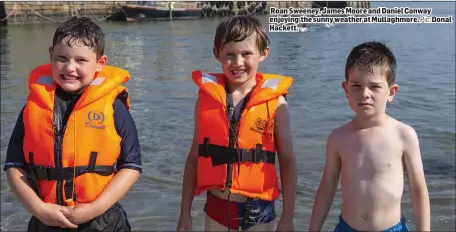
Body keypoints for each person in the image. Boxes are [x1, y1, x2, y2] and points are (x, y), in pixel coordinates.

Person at [3, 16, 142, 232]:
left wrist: (94, 208)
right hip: (45, 219)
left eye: (81, 60)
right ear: (51, 55)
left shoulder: (114, 108)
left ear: (100, 63)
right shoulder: (33, 107)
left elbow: (132, 166)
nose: (70, 67)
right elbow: (13, 165)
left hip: (102, 220)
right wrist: (38, 208)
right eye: (61, 58)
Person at [176, 15, 297, 232]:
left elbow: (287, 161)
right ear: (217, 54)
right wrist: (185, 212)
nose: (238, 63)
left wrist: (288, 218)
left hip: (259, 208)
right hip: (218, 205)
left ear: (263, 54)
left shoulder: (276, 104)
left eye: (246, 54)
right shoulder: (206, 100)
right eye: (229, 55)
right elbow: (194, 157)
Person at [308, 41, 430, 232]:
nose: (365, 94)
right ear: (345, 89)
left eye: (374, 86)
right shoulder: (338, 138)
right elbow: (327, 188)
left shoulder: (404, 135)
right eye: (356, 85)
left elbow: (418, 190)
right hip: (346, 228)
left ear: (391, 92)